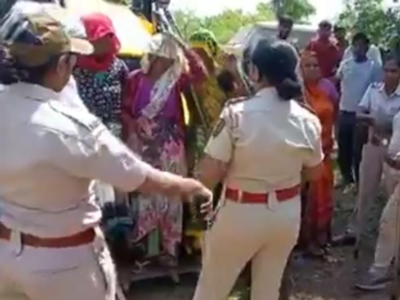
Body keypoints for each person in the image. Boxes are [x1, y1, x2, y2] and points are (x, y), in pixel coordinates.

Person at [0, 10, 211, 300]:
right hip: (64, 265)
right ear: (63, 64)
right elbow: (137, 177)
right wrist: (191, 187)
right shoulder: (74, 129)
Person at [191, 39, 324, 300]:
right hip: (285, 214)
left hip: (241, 211)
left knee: (211, 290)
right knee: (267, 291)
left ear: (255, 72)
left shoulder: (237, 114)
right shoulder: (307, 119)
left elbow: (209, 172)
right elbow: (315, 172)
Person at [121, 32, 207, 269]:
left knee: (171, 193)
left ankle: (169, 250)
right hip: (142, 143)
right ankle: (144, 248)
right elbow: (125, 109)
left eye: (169, 57)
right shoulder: (135, 79)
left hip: (170, 145)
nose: (163, 62)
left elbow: (200, 75)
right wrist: (134, 126)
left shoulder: (176, 80)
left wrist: (183, 45)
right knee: (145, 193)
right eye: (159, 56)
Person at [333, 55, 400, 248]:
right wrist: (370, 120)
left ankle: (392, 243)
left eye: (393, 71)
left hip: (395, 149)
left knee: (393, 195)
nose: (389, 74)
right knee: (365, 190)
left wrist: (386, 125)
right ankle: (354, 232)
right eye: (386, 70)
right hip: (373, 144)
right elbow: (359, 112)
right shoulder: (373, 90)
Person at [355, 110, 400, 290]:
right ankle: (389, 270)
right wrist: (383, 144)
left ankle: (380, 272)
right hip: (393, 170)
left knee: (389, 220)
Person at [298, 51, 336, 258]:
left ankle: (322, 237)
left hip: (326, 152)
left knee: (324, 194)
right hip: (309, 155)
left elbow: (333, 114)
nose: (313, 69)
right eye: (308, 66)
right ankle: (307, 240)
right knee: (311, 197)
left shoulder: (325, 91)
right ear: (300, 70)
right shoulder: (299, 95)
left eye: (315, 65)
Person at [336, 32, 382, 188]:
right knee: (343, 147)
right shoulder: (346, 64)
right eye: (356, 45)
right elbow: (337, 82)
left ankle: (359, 181)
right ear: (352, 47)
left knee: (358, 150)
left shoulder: (374, 67)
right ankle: (346, 178)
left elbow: (377, 90)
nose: (359, 48)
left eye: (362, 45)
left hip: (362, 115)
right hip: (344, 111)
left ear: (367, 48)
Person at [74, 13, 128, 137]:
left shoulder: (119, 67)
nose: (106, 40)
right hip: (80, 134)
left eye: (110, 36)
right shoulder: (71, 65)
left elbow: (127, 101)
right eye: (100, 36)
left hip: (112, 136)